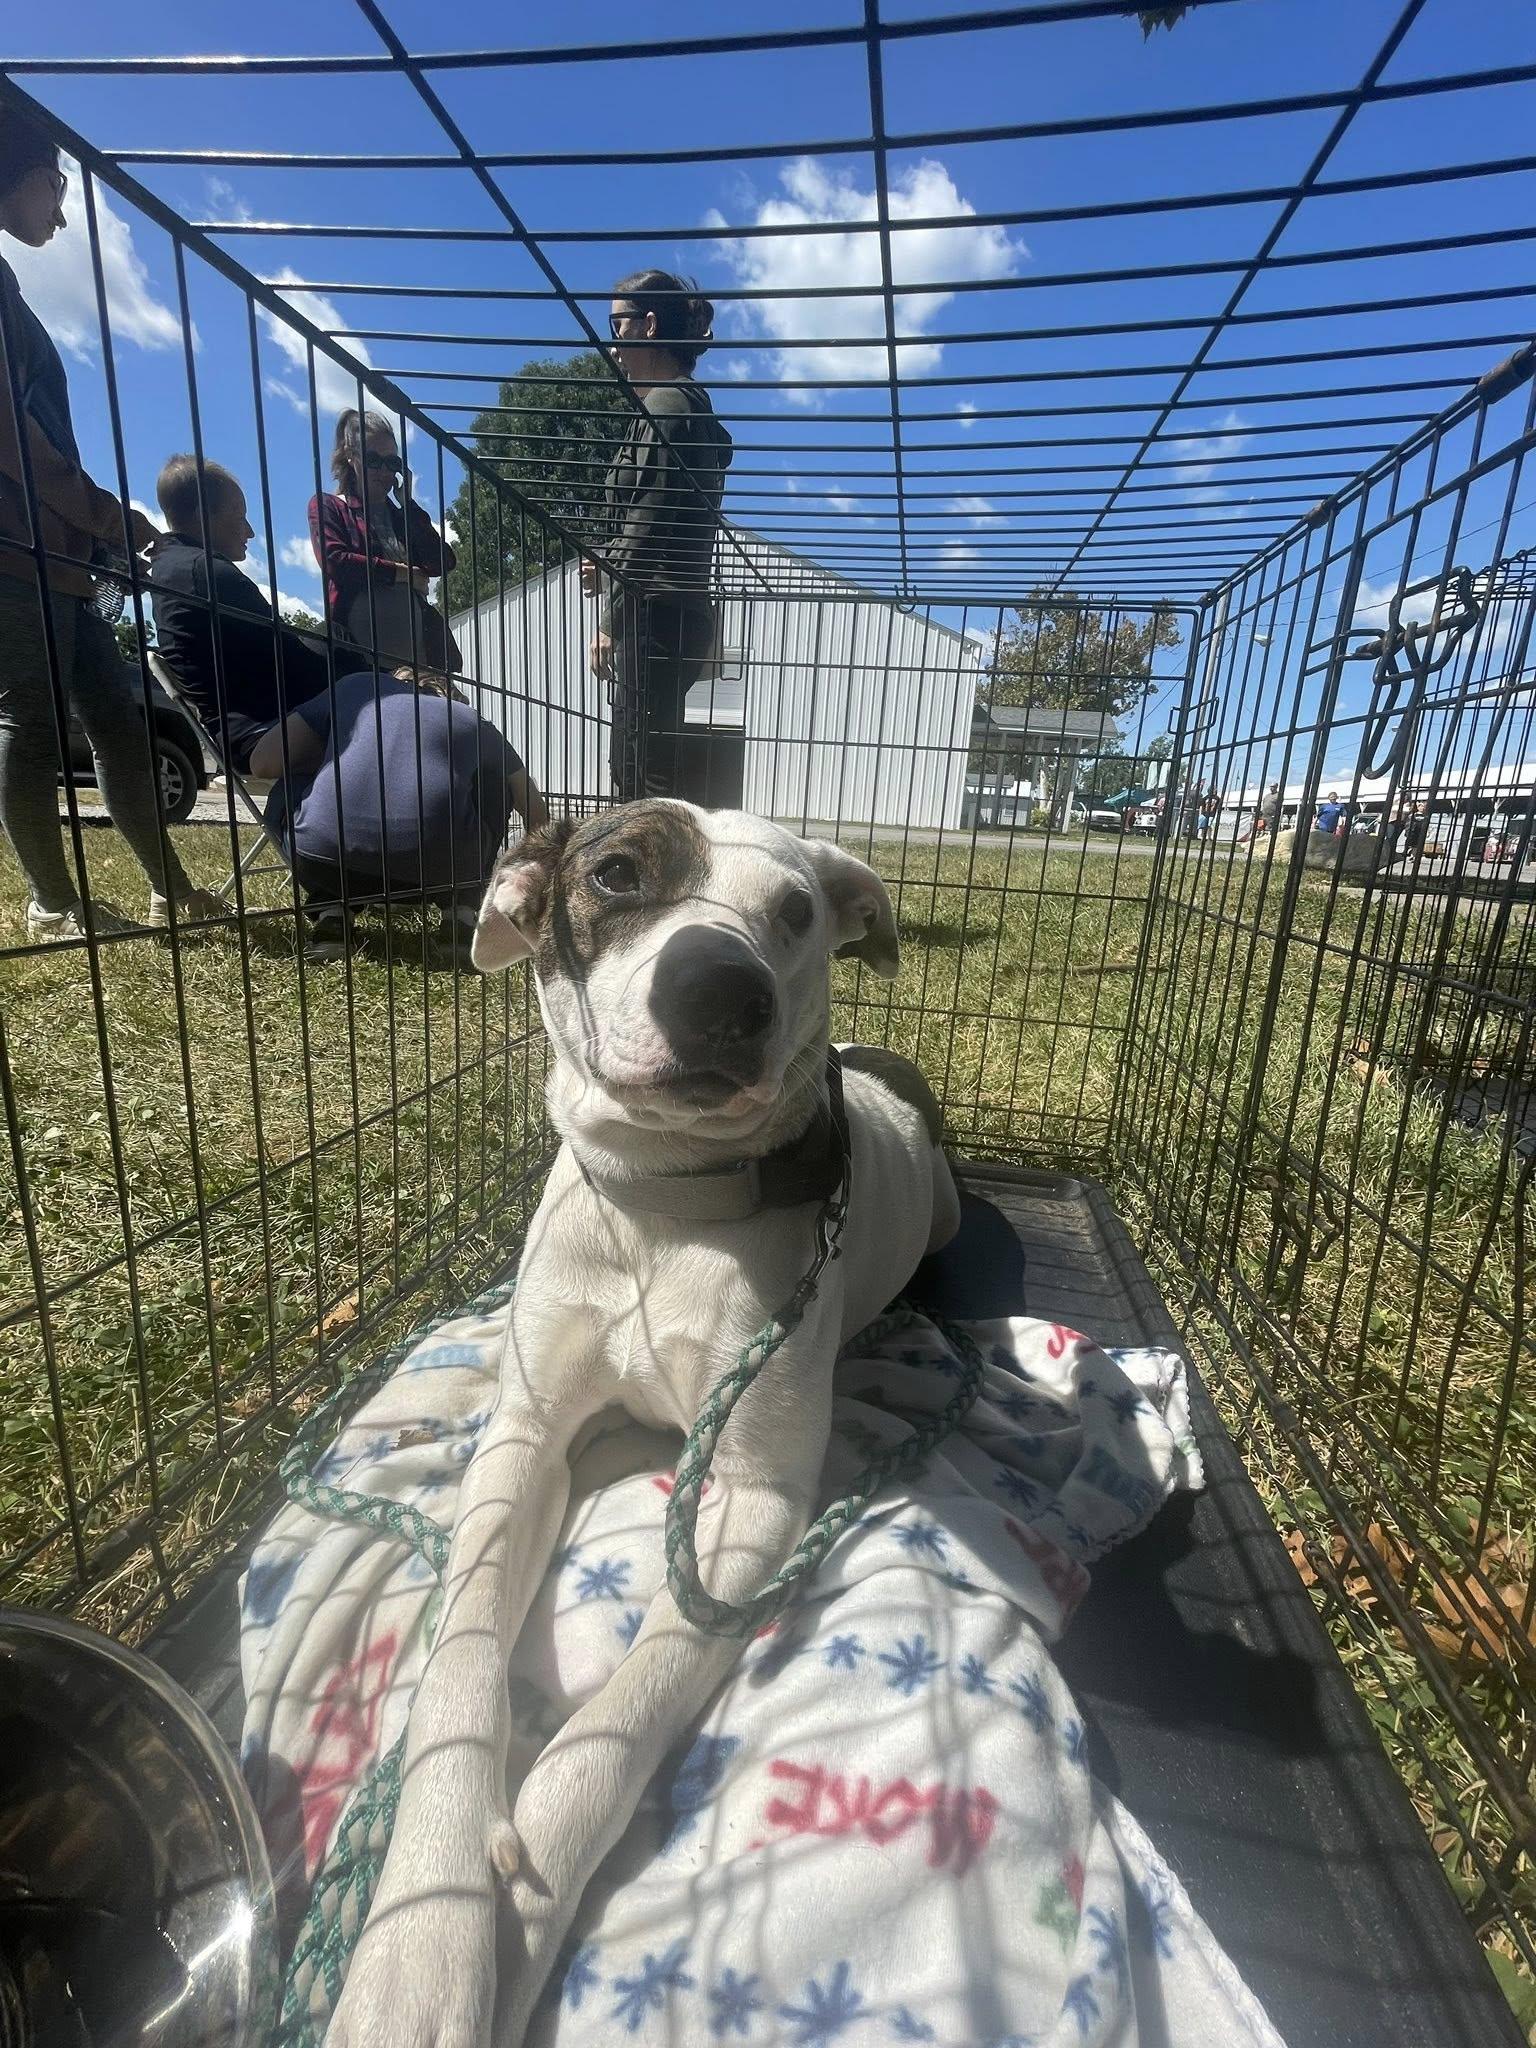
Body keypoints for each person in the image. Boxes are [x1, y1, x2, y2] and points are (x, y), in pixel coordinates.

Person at [0, 111, 222, 939]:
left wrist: (95, 528)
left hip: (56, 558)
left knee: (118, 723)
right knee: (30, 719)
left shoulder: (9, 288)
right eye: (59, 186)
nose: (62, 213)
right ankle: (53, 906)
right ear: (21, 170)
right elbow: (13, 442)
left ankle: (171, 889)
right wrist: (104, 514)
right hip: (15, 552)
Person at [248, 665, 546, 957]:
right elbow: (535, 811)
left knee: (293, 778)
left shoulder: (356, 687)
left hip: (326, 862)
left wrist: (332, 754)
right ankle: (462, 912)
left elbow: (263, 763)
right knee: (495, 784)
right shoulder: (472, 720)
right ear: (450, 696)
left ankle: (332, 912)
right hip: (440, 872)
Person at [582, 269, 733, 803]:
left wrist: (611, 621)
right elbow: (652, 517)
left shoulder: (667, 406)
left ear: (647, 326)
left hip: (657, 614)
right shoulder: (682, 406)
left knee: (639, 769)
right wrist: (605, 557)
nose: (612, 343)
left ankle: (657, 880)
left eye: (615, 323)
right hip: (675, 609)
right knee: (645, 761)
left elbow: (649, 520)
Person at [150, 455, 366, 773]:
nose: (249, 531)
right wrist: (381, 678)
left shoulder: (173, 568)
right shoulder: (208, 573)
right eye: (239, 515)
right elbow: (294, 663)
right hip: (260, 735)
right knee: (373, 687)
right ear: (202, 516)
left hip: (247, 726)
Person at [309, 411, 459, 675]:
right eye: (373, 460)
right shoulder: (330, 506)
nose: (383, 471)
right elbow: (336, 561)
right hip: (360, 667)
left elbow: (442, 562)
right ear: (350, 456)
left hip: (420, 668)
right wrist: (404, 574)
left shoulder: (402, 517)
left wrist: (408, 505)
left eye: (392, 463)